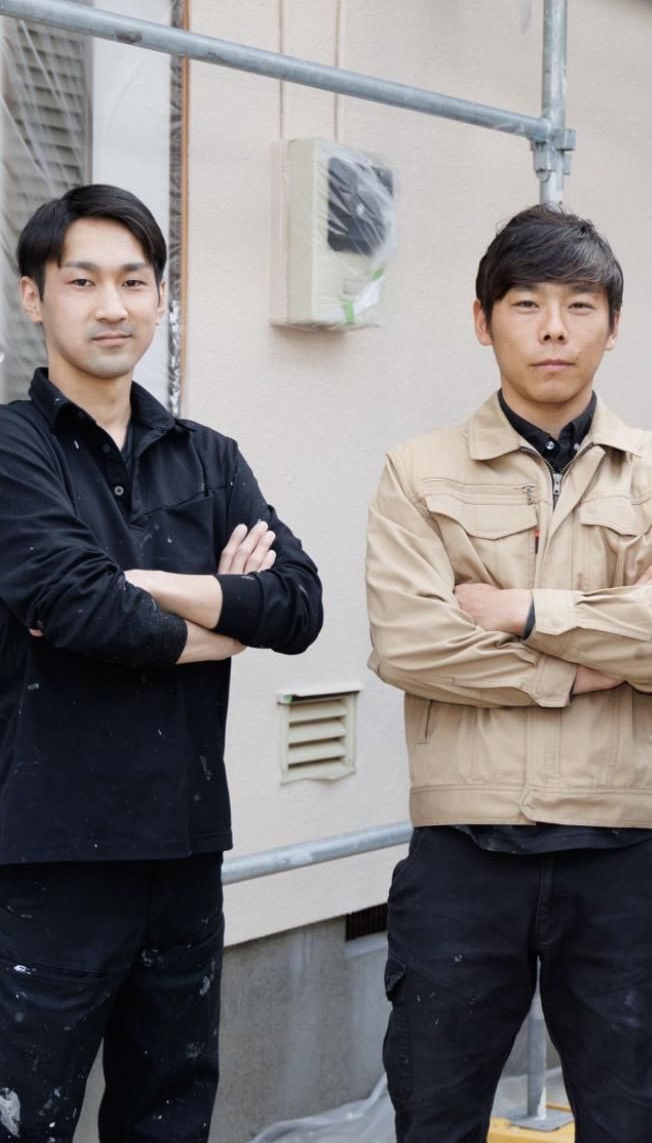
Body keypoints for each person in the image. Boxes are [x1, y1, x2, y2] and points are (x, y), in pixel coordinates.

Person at [0, 184, 322, 1142]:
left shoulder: (208, 457)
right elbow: (79, 605)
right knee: (25, 1117)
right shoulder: (12, 449)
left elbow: (298, 604)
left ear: (161, 297)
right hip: (45, 860)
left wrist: (151, 584)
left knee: (171, 1115)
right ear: (33, 296)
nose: (113, 305)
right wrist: (223, 614)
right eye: (83, 281)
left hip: (183, 850)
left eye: (135, 281)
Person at [366, 203, 652, 1143]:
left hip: (627, 846)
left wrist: (529, 613)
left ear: (615, 323)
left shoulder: (649, 471)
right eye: (527, 303)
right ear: (482, 321)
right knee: (436, 1113)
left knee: (630, 1114)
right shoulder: (419, 471)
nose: (554, 328)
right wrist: (576, 671)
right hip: (465, 848)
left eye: (580, 304)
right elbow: (411, 643)